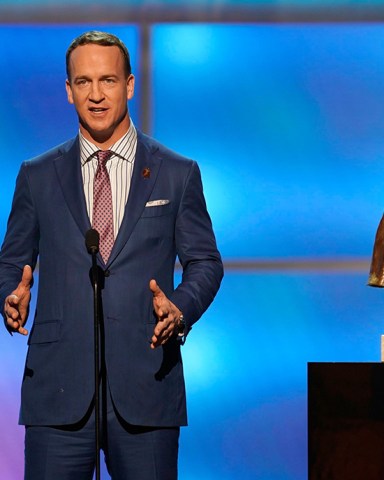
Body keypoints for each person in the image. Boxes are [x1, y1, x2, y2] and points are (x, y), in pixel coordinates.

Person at [0, 30, 223, 479]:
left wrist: (179, 307)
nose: (96, 95)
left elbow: (206, 262)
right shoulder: (37, 176)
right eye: (83, 82)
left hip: (147, 386)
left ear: (130, 85)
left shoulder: (177, 174)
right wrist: (9, 293)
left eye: (108, 80)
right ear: (68, 90)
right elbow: (11, 261)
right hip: (56, 393)